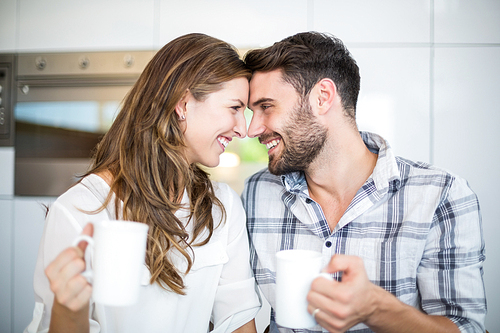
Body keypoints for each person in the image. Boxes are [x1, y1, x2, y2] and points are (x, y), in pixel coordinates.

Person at [241, 32, 486, 333]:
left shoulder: (440, 195)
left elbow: (467, 328)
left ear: (322, 97)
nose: (252, 128)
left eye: (266, 107)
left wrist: (375, 308)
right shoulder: (256, 193)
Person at [25, 33, 261, 333]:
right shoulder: (79, 210)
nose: (243, 129)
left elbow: (238, 322)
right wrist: (69, 309)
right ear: (183, 103)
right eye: (235, 108)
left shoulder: (222, 206)